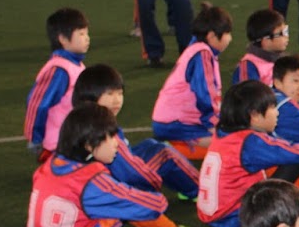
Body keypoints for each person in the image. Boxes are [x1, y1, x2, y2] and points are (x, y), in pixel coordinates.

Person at [27, 103, 172, 227]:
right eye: (110, 137)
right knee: (126, 209)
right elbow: (151, 206)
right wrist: (156, 198)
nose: (116, 143)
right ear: (89, 145)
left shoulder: (48, 166)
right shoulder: (91, 180)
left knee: (106, 203)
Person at [197, 80, 299, 227]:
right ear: (255, 116)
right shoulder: (250, 143)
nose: (277, 112)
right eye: (272, 108)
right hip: (239, 222)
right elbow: (297, 152)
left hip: (218, 217)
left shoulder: (224, 132)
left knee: (280, 162)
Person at [73, 63, 203, 205]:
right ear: (90, 95)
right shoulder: (103, 128)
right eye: (109, 94)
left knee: (150, 145)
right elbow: (128, 171)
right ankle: (201, 191)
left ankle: (188, 187)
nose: (117, 100)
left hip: (97, 181)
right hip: (114, 185)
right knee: (164, 153)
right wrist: (151, 183)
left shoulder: (84, 118)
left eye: (120, 93)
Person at [151, 3, 233, 161]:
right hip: (176, 124)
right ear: (211, 36)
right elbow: (205, 94)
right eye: (227, 33)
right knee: (232, 143)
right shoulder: (202, 54)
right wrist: (213, 124)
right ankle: (178, 147)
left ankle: (180, 145)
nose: (230, 38)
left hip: (170, 121)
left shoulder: (197, 47)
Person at [24, 8, 90, 161]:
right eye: (81, 34)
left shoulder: (75, 65)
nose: (87, 38)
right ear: (63, 39)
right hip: (59, 145)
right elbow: (37, 104)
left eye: (87, 33)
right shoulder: (59, 70)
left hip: (73, 139)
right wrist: (35, 139)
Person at [232, 9, 289, 85]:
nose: (286, 36)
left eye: (286, 31)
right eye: (282, 33)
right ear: (266, 41)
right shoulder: (249, 67)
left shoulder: (282, 59)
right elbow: (248, 95)